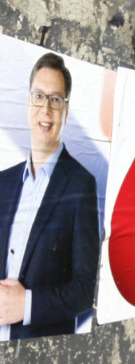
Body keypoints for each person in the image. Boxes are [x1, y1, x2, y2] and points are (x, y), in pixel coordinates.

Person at [0, 52, 100, 340]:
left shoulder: (81, 185)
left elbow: (83, 290)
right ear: (28, 104)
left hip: (39, 354)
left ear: (65, 112)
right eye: (39, 96)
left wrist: (26, 305)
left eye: (56, 99)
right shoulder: (3, 183)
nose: (46, 108)